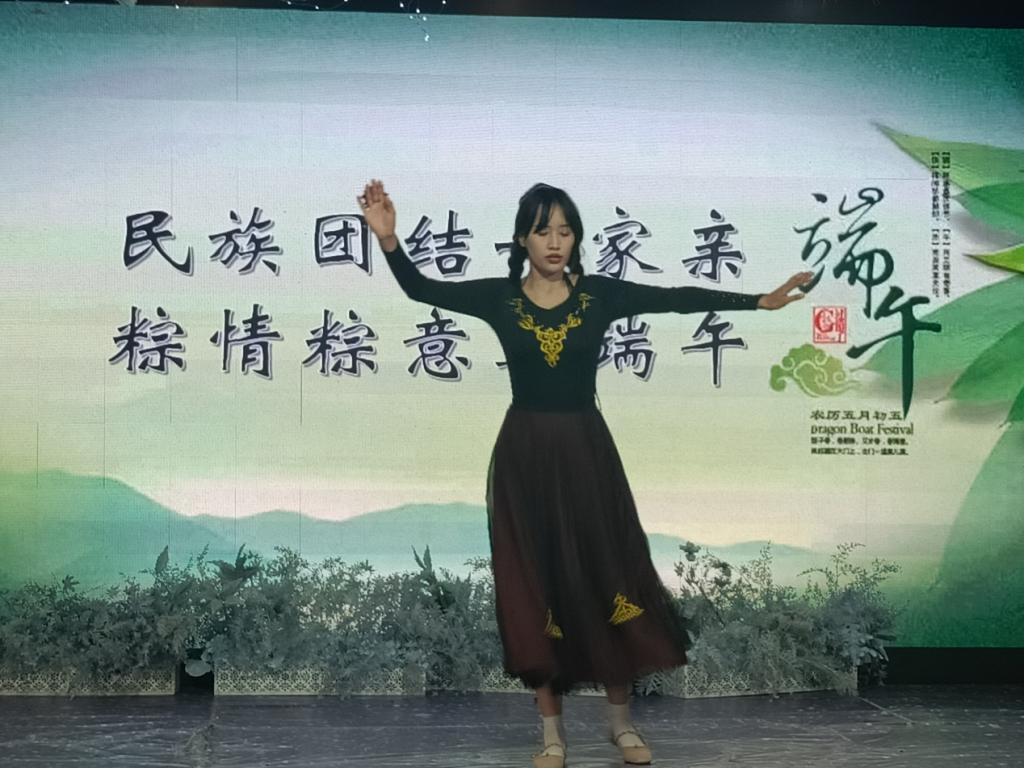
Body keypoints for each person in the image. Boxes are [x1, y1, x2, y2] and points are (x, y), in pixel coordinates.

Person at [358, 179, 811, 768]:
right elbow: (423, 289)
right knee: (536, 584)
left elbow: (674, 297)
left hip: (585, 453)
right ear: (522, 239)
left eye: (565, 231)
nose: (555, 241)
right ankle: (552, 734)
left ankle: (621, 725)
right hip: (525, 456)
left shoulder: (598, 296)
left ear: (576, 240)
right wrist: (389, 240)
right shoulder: (500, 298)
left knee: (607, 575)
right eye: (543, 230)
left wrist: (759, 301)